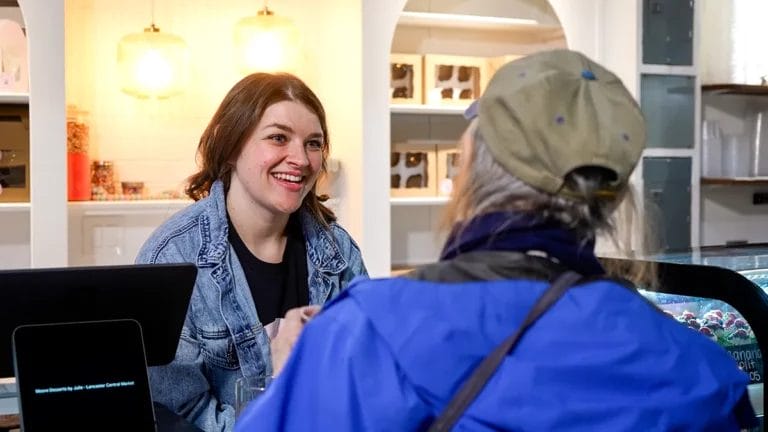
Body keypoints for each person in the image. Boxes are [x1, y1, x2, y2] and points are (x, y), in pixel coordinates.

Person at [235, 50, 757, 431]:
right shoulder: (702, 370)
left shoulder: (365, 335)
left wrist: (289, 374)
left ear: (472, 171)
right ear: (614, 198)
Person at [135, 72, 367, 431]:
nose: (301, 159)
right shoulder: (173, 258)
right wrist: (275, 379)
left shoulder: (338, 250)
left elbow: (365, 380)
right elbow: (181, 418)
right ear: (231, 147)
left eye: (314, 143)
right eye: (278, 138)